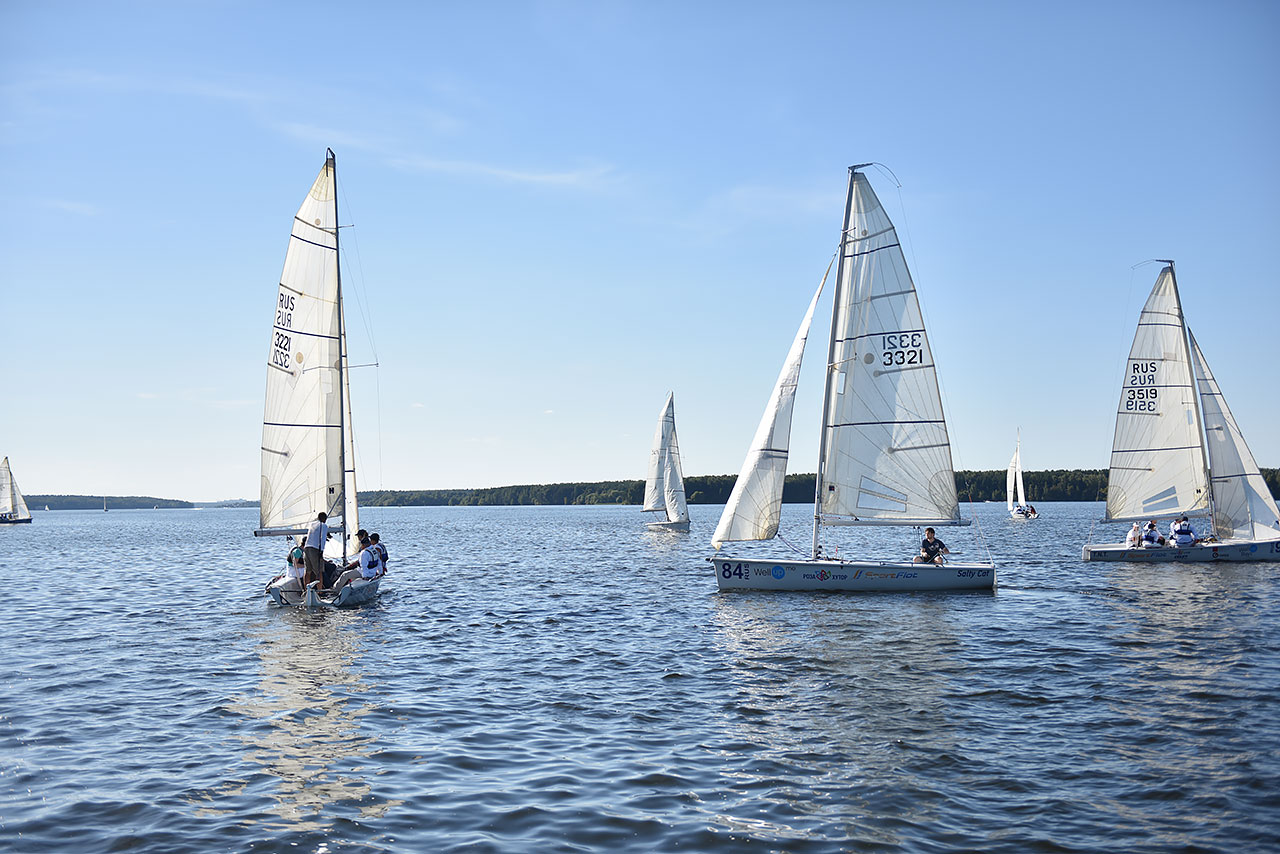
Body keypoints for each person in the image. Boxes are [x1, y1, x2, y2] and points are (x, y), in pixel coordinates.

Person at [303, 512, 329, 587]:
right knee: (319, 571)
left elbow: (315, 533)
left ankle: (306, 591)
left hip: (306, 548)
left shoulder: (312, 524)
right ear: (324, 519)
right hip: (315, 549)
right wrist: (322, 551)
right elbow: (323, 539)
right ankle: (319, 591)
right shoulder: (323, 525)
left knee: (308, 571)